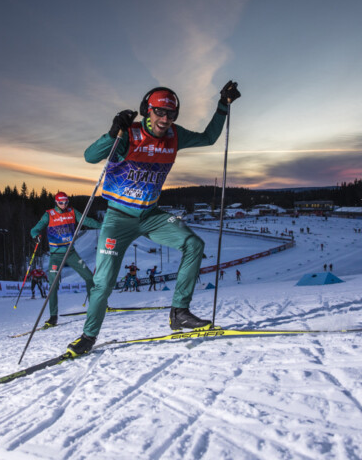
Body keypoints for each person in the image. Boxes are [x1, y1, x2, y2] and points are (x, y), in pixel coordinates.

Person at [66, 81, 241, 357]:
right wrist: (113, 133)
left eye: (171, 115)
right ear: (147, 111)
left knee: (193, 244)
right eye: (159, 112)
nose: (165, 119)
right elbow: (90, 157)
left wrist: (223, 106)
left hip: (151, 215)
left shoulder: (175, 135)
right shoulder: (130, 134)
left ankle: (179, 312)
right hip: (119, 218)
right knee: (105, 281)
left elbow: (208, 138)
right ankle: (88, 336)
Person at [30, 191, 101, 327]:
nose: (64, 205)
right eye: (61, 202)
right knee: (53, 286)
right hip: (56, 255)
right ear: (56, 202)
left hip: (71, 253)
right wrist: (36, 235)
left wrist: (102, 226)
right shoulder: (49, 214)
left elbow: (86, 220)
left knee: (89, 277)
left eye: (66, 202)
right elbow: (35, 229)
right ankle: (53, 317)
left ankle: (94, 308)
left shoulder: (72, 212)